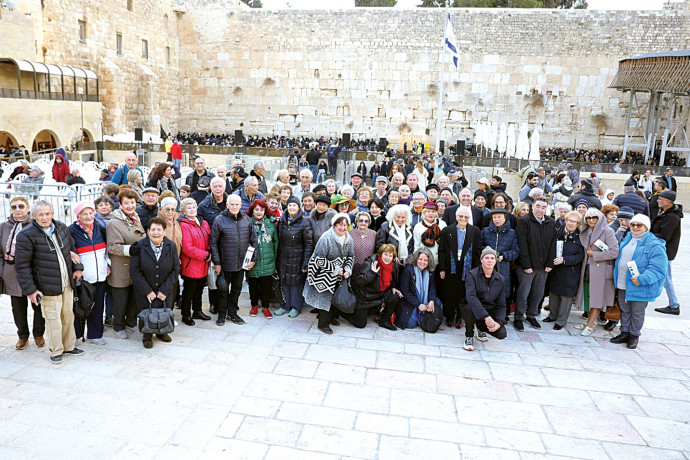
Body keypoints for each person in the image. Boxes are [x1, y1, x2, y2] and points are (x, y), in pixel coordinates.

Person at [15, 201, 84, 364]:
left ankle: (69, 346)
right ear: (33, 216)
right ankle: (56, 350)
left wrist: (78, 267)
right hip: (46, 286)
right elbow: (22, 266)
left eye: (47, 213)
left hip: (67, 282)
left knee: (68, 315)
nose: (45, 217)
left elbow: (72, 249)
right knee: (53, 319)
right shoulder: (26, 235)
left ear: (52, 213)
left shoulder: (61, 227)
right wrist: (31, 290)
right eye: (40, 214)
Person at [611, 214, 668, 349]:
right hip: (623, 282)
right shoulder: (628, 238)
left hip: (639, 285)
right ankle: (624, 332)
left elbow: (658, 269)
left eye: (639, 225)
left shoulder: (654, 245)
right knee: (624, 310)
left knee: (637, 312)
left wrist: (641, 279)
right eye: (633, 225)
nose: (635, 227)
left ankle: (634, 336)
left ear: (646, 227)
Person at [0, 197, 45, 350]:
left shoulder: (36, 225)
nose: (18, 209)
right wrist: (3, 269)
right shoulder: (3, 227)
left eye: (21, 206)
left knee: (38, 305)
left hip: (33, 272)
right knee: (18, 307)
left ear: (27, 208)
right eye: (14, 207)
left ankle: (39, 334)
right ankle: (22, 336)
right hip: (11, 272)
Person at [129, 217, 180, 348]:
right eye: (153, 229)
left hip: (165, 288)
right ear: (148, 231)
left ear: (164, 231)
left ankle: (162, 332)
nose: (156, 233)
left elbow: (175, 269)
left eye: (159, 229)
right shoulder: (140, 246)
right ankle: (147, 335)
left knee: (163, 310)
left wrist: (164, 290)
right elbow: (134, 271)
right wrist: (148, 291)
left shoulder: (171, 246)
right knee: (147, 312)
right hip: (144, 289)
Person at [210, 194, 257, 326]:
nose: (235, 206)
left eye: (237, 204)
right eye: (232, 204)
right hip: (225, 264)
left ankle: (232, 313)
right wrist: (217, 263)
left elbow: (254, 240)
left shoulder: (247, 220)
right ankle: (221, 314)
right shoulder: (219, 220)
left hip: (241, 264)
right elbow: (213, 243)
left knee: (236, 289)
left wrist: (253, 259)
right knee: (223, 290)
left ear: (241, 205)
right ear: (227, 205)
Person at [304, 213, 354, 334]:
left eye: (345, 225)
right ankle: (323, 324)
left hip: (339, 274)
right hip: (322, 273)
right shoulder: (326, 237)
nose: (342, 228)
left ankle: (332, 318)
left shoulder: (349, 238)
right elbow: (318, 259)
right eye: (339, 225)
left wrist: (348, 269)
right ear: (334, 225)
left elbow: (351, 256)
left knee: (335, 297)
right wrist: (335, 269)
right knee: (324, 298)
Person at [107, 188, 147, 339]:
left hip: (136, 266)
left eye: (132, 202)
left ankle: (131, 322)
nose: (130, 206)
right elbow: (112, 246)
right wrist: (131, 249)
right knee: (120, 298)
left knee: (133, 297)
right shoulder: (114, 222)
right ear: (120, 204)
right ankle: (118, 326)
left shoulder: (136, 217)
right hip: (121, 267)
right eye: (127, 203)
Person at [574, 208, 619, 337]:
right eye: (588, 218)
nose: (591, 220)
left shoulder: (608, 231)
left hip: (601, 270)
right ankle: (590, 321)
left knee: (597, 298)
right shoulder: (585, 231)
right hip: (587, 269)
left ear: (599, 218)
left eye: (594, 218)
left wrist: (595, 255)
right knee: (588, 296)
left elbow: (614, 252)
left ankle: (590, 324)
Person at [513, 197, 557, 332]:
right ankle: (518, 317)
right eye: (538, 206)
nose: (540, 210)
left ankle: (531, 315)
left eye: (543, 207)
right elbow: (522, 244)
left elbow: (553, 244)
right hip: (527, 266)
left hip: (543, 266)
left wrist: (550, 262)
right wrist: (526, 265)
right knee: (523, 293)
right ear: (533, 206)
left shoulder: (550, 222)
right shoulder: (524, 221)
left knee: (538, 293)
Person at [69, 201, 108, 345]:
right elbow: (69, 251)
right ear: (78, 216)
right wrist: (77, 268)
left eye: (91, 213)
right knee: (81, 307)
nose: (88, 216)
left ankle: (95, 334)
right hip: (84, 278)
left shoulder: (99, 227)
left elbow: (106, 249)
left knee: (98, 307)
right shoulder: (71, 230)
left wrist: (107, 265)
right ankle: (77, 335)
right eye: (84, 214)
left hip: (101, 275)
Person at [438, 205, 481, 329]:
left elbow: (478, 251)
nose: (463, 218)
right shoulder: (447, 230)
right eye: (460, 216)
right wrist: (441, 269)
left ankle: (459, 316)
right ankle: (450, 316)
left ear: (469, 218)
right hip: (450, 266)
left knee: (463, 292)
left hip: (467, 266)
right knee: (449, 291)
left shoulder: (475, 231)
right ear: (456, 217)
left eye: (466, 217)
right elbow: (442, 250)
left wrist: (476, 270)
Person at [543, 211, 584, 330]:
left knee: (566, 296)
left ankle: (561, 321)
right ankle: (552, 315)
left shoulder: (580, 237)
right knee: (554, 293)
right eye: (569, 220)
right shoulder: (558, 232)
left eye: (575, 222)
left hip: (570, 271)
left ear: (578, 224)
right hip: (556, 269)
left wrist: (565, 260)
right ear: (565, 220)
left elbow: (580, 256)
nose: (571, 223)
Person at [274, 196, 314, 318]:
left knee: (296, 283)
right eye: (290, 205)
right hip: (283, 256)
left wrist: (305, 263)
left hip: (298, 257)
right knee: (285, 281)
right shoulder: (282, 221)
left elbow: (309, 244)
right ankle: (286, 305)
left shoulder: (305, 222)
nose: (292, 207)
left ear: (298, 207)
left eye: (294, 205)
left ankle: (296, 307)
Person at [462, 247, 508, 351]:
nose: (489, 260)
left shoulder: (500, 279)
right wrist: (486, 317)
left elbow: (501, 305)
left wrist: (499, 322)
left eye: (492, 258)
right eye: (486, 257)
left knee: (502, 334)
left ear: (496, 261)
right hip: (473, 308)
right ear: (481, 260)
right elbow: (471, 297)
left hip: (489, 310)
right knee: (469, 308)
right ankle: (469, 336)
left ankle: (480, 327)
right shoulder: (472, 275)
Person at [352, 244, 402, 331]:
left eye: (390, 256)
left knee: (394, 296)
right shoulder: (370, 263)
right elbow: (359, 282)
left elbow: (393, 280)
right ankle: (343, 313)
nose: (387, 258)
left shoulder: (393, 265)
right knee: (360, 324)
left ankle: (384, 321)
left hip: (380, 294)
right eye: (385, 254)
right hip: (366, 297)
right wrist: (372, 273)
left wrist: (393, 287)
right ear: (380, 254)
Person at [178, 197, 212, 326]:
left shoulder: (203, 223)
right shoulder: (184, 225)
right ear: (183, 211)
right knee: (189, 291)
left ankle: (197, 311)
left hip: (203, 263)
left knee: (199, 290)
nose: (192, 210)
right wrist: (205, 255)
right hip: (191, 264)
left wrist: (209, 252)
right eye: (188, 208)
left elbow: (209, 238)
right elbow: (187, 248)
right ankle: (185, 314)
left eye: (193, 207)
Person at [480, 208, 519, 316]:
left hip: (504, 266)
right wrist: (488, 254)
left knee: (503, 291)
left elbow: (515, 251)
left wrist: (504, 256)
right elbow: (479, 247)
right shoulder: (485, 231)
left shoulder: (512, 233)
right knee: (486, 289)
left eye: (499, 217)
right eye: (494, 217)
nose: (497, 220)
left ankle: (502, 315)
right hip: (487, 266)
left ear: (504, 218)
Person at [245, 199, 278, 319]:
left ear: (265, 210)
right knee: (253, 283)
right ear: (252, 210)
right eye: (256, 209)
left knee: (266, 284)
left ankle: (265, 307)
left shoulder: (271, 222)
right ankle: (254, 305)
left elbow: (276, 241)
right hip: (254, 259)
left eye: (262, 210)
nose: (259, 212)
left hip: (268, 258)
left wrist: (275, 259)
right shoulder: (247, 222)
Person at [651, 191, 683, 316]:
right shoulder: (666, 213)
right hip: (663, 251)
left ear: (668, 202)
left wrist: (647, 235)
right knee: (665, 278)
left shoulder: (672, 217)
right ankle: (674, 305)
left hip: (665, 252)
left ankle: (674, 305)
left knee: (666, 278)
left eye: (660, 199)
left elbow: (664, 236)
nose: (658, 201)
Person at [394, 247, 441, 331]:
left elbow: (432, 287)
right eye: (420, 259)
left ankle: (424, 313)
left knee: (437, 302)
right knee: (410, 324)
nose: (422, 262)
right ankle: (421, 313)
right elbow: (405, 291)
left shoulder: (430, 271)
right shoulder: (408, 270)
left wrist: (431, 301)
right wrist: (418, 304)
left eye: (425, 260)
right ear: (416, 258)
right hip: (410, 300)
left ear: (429, 261)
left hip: (425, 299)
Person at [350, 211, 377, 276]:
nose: (363, 223)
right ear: (357, 221)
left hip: (369, 269)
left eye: (366, 221)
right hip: (354, 268)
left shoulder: (374, 234)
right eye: (361, 220)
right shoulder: (350, 234)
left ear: (369, 223)